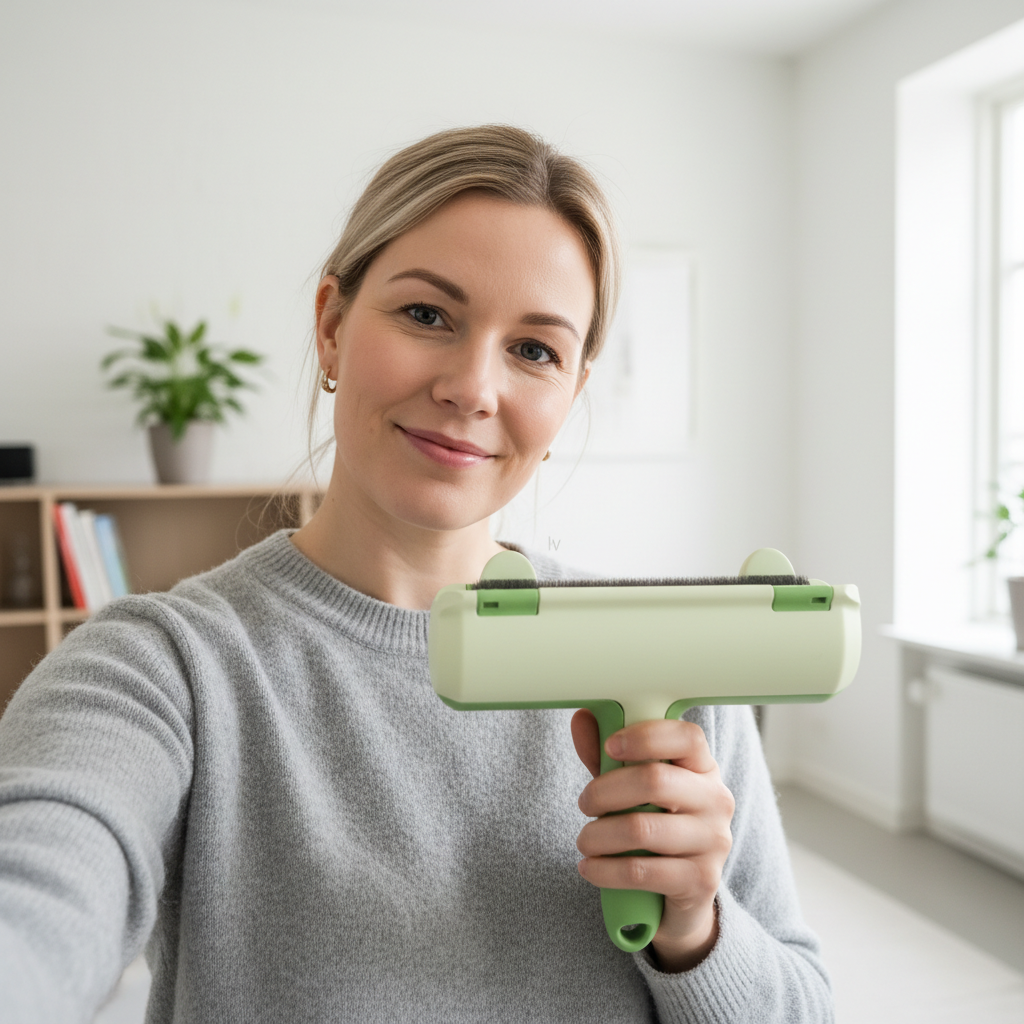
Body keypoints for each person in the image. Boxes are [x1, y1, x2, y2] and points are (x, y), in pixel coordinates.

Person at [0, 125, 831, 1023]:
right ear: (331, 325)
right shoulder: (162, 669)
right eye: (428, 315)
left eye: (535, 350)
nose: (473, 388)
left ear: (570, 397)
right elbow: (38, 899)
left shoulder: (669, 669)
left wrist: (697, 930)